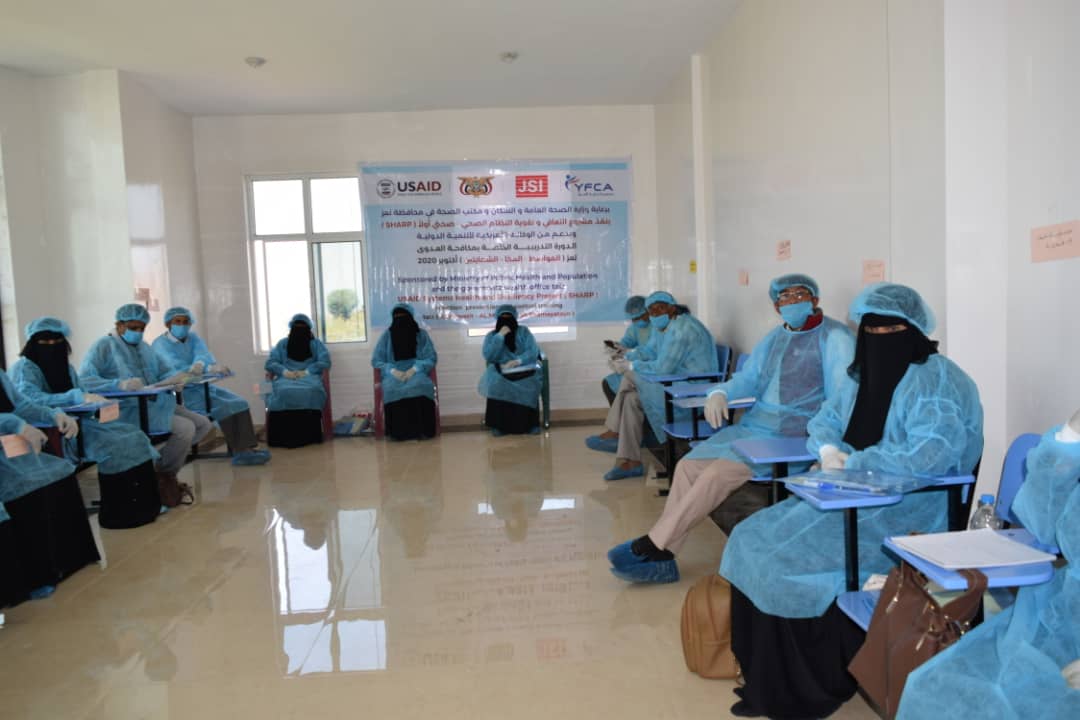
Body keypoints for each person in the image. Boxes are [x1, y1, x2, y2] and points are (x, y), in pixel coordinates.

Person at [718, 282, 984, 719]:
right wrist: (827, 450)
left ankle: (801, 689)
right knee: (750, 537)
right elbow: (827, 419)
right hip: (844, 494)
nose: (879, 341)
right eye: (870, 332)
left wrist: (859, 462)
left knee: (782, 562)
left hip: (907, 507)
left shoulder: (937, 380)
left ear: (914, 330)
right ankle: (762, 677)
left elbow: (930, 455)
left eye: (891, 331)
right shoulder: (860, 375)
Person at [608, 274, 855, 583]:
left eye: (799, 295)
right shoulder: (775, 337)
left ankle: (655, 545)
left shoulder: (835, 338)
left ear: (815, 299)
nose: (792, 302)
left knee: (716, 474)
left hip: (795, 434)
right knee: (687, 467)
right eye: (785, 297)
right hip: (755, 427)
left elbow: (841, 401)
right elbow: (748, 378)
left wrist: (826, 445)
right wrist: (720, 392)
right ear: (776, 306)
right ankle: (665, 554)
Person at [897, 409, 1080, 720]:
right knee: (929, 684)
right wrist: (1069, 438)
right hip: (1052, 613)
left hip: (1063, 634)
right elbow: (1043, 523)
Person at [12, 317, 162, 528]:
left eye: (57, 341)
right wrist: (75, 397)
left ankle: (144, 506)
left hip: (83, 423)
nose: (51, 347)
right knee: (117, 445)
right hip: (56, 430)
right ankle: (118, 514)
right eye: (44, 342)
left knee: (134, 435)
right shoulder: (25, 368)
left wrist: (95, 401)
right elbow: (30, 400)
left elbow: (82, 393)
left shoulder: (66, 367)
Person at [80, 303, 213, 505]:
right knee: (185, 429)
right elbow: (85, 379)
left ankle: (157, 470)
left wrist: (178, 379)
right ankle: (165, 475)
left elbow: (164, 370)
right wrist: (119, 384)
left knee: (203, 424)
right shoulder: (104, 346)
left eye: (142, 328)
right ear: (119, 325)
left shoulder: (145, 348)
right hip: (126, 409)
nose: (138, 332)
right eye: (133, 327)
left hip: (156, 403)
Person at [586, 291, 718, 481]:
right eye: (652, 312)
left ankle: (614, 430)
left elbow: (664, 368)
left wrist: (631, 366)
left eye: (659, 310)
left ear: (671, 308)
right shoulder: (663, 327)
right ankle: (631, 462)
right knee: (631, 399)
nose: (655, 316)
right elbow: (649, 350)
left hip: (692, 389)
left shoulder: (683, 329)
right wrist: (626, 355)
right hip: (674, 381)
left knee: (629, 376)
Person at [0, 367, 99, 608]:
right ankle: (34, 576)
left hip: (9, 447)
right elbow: (15, 416)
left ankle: (65, 561)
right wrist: (16, 424)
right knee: (25, 483)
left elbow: (22, 405)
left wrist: (53, 415)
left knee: (59, 470)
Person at [151, 306, 270, 465]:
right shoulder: (160, 344)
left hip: (203, 386)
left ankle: (247, 447)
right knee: (226, 407)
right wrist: (194, 370)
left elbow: (203, 354)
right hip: (184, 394)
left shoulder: (192, 338)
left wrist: (204, 365)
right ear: (168, 324)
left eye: (186, 322)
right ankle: (240, 452)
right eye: (177, 321)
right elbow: (172, 368)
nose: (182, 325)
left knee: (240, 403)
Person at [370, 303, 438, 440]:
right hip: (393, 373)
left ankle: (422, 431)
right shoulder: (386, 336)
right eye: (397, 317)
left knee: (420, 385)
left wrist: (416, 368)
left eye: (403, 317)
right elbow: (377, 360)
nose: (400, 321)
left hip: (417, 371)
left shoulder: (421, 335)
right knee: (391, 387)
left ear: (411, 318)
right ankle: (398, 434)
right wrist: (391, 370)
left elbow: (431, 357)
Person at [264, 313, 331, 448]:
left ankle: (310, 436)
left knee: (313, 390)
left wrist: (307, 371)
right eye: (296, 328)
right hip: (285, 378)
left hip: (310, 377)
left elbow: (324, 362)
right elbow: (271, 362)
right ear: (291, 329)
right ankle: (280, 437)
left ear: (309, 330)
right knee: (281, 390)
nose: (299, 332)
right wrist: (284, 372)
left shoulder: (316, 344)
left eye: (303, 328)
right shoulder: (282, 344)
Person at [478, 305, 543, 436]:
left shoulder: (524, 332)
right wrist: (500, 336)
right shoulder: (492, 336)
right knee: (496, 382)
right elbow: (489, 356)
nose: (506, 322)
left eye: (509, 318)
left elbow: (533, 351)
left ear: (515, 319)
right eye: (503, 318)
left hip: (524, 367)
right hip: (501, 370)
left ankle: (530, 424)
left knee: (530, 382)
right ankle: (499, 426)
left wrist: (518, 361)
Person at [601, 295, 653, 405]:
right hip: (639, 368)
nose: (636, 321)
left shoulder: (658, 327)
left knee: (631, 393)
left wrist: (629, 355)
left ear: (648, 312)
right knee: (608, 383)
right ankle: (619, 413)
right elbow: (627, 342)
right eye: (633, 319)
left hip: (651, 369)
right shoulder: (635, 328)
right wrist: (616, 348)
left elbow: (651, 351)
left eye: (639, 317)